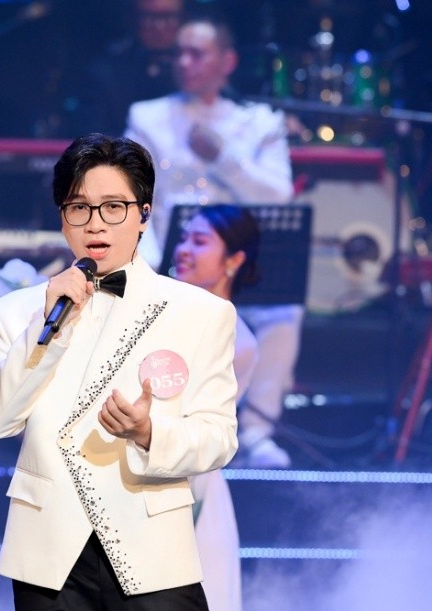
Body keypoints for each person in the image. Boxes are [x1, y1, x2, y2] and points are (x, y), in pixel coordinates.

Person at [0, 133, 239, 609]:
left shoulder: (200, 313)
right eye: (79, 207)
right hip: (49, 557)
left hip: (153, 552)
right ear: (62, 217)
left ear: (144, 214)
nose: (95, 223)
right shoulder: (16, 314)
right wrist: (46, 330)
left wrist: (149, 432)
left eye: (114, 207)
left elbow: (219, 438)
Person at [125, 14, 300, 468]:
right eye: (179, 53)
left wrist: (224, 157)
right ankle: (176, 429)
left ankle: (256, 432)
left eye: (197, 54)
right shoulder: (148, 117)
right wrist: (145, 266)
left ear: (227, 62)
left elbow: (278, 194)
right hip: (172, 260)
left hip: (234, 261)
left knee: (282, 314)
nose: (184, 62)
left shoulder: (258, 122)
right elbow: (132, 195)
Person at [173, 204, 261, 611]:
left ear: (234, 260)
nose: (183, 249)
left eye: (199, 241)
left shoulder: (238, 342)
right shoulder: (157, 311)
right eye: (183, 238)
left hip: (187, 486)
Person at [71, 0, 184, 135]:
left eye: (169, 16)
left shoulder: (195, 70)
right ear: (132, 19)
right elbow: (93, 136)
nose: (159, 26)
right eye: (148, 17)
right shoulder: (104, 73)